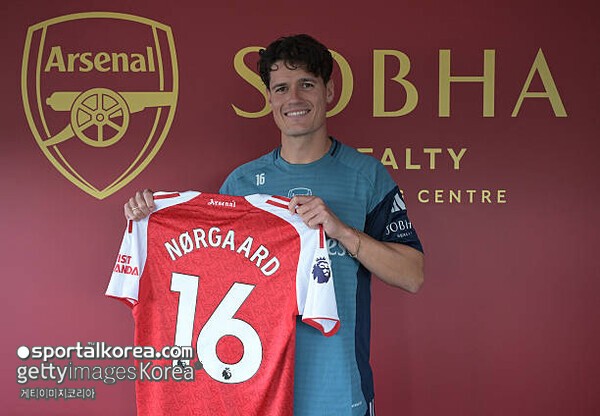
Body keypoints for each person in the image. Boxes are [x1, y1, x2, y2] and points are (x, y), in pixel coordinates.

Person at [124, 34, 424, 416]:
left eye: (307, 84)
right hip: (255, 393)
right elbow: (207, 284)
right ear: (269, 98)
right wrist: (151, 221)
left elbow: (412, 276)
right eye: (281, 88)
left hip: (338, 393)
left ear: (329, 91)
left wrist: (341, 231)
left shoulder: (366, 176)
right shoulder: (241, 184)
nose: (293, 98)